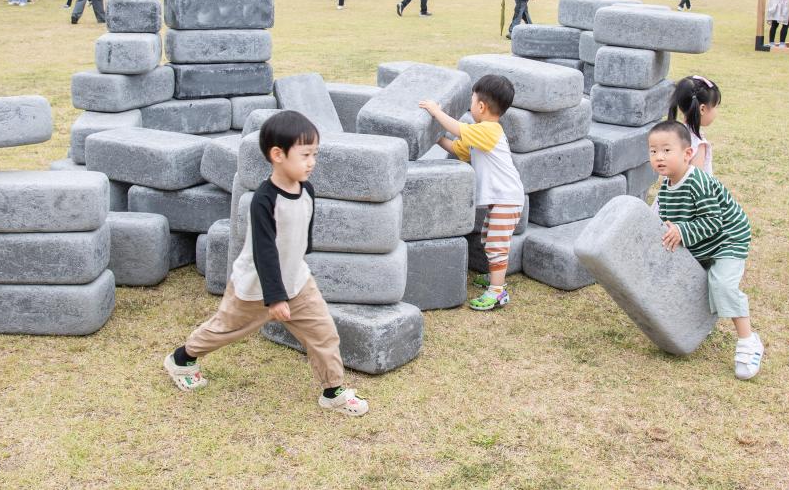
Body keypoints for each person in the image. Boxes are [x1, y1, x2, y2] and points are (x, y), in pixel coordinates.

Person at [163, 111, 369, 416]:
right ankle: (182, 358)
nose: (312, 161)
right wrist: (274, 298)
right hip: (257, 286)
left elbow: (300, 232)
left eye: (315, 154)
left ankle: (333, 391)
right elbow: (264, 251)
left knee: (323, 332)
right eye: (305, 155)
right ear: (278, 155)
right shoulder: (264, 200)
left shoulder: (307, 189)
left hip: (296, 281)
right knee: (226, 329)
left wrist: (300, 260)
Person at [649, 120, 762, 380]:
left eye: (667, 150)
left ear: (687, 153)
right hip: (701, 242)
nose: (659, 157)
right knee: (689, 279)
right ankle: (697, 323)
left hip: (727, 239)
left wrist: (682, 232)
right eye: (653, 151)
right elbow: (666, 220)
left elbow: (714, 221)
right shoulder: (666, 188)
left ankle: (748, 341)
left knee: (721, 284)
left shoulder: (698, 181)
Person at [419, 75, 524, 310]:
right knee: (489, 239)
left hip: (507, 198)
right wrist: (436, 138)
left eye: (471, 99)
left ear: (481, 106)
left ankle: (498, 291)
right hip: (502, 199)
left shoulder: (489, 130)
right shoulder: (480, 133)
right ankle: (495, 279)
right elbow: (458, 148)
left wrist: (436, 111)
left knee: (497, 243)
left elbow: (458, 129)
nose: (470, 104)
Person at [668, 75, 721, 175]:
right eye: (716, 106)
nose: (716, 111)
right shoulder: (698, 144)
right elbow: (696, 184)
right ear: (702, 109)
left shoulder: (675, 133)